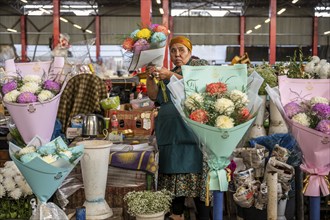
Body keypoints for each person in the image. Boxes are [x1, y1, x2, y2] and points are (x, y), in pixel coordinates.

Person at [146, 36, 211, 220]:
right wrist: (150, 77)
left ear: (189, 51)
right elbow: (153, 96)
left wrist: (170, 75)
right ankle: (177, 215)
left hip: (192, 135)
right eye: (173, 51)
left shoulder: (199, 65)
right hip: (170, 135)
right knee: (174, 188)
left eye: (181, 50)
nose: (177, 54)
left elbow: (201, 85)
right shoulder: (169, 73)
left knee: (199, 185)